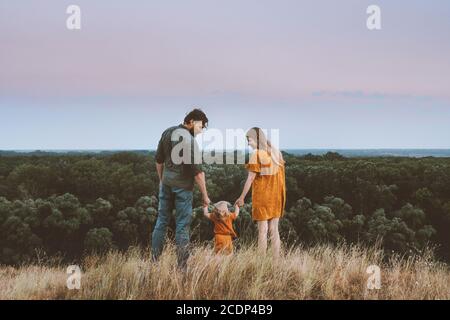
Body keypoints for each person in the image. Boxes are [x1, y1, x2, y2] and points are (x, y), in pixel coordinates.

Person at [152, 108, 211, 270]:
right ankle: (182, 268)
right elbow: (198, 173)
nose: (200, 131)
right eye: (200, 127)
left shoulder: (167, 132)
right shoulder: (189, 141)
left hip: (166, 185)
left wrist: (161, 180)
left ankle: (154, 263)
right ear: (191, 122)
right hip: (183, 189)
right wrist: (205, 196)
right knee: (182, 226)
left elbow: (158, 161)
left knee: (161, 222)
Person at [235, 127, 286, 261]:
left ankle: (261, 264)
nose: (248, 143)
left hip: (263, 197)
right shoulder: (276, 153)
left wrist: (241, 198)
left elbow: (250, 178)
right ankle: (276, 262)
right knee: (274, 230)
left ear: (257, 139)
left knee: (262, 231)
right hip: (277, 197)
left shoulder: (256, 154)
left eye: (249, 140)